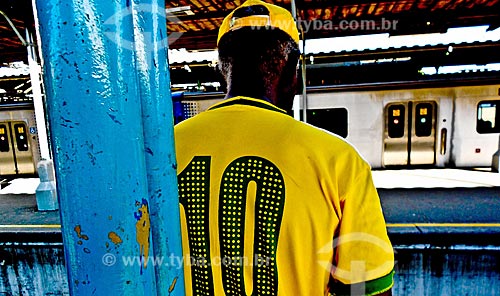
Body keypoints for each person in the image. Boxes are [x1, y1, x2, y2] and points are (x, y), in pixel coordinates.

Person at [174, 0, 395, 295]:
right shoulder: (340, 161)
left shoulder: (166, 151)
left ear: (221, 72)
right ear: (294, 69)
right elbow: (366, 287)